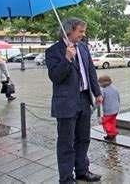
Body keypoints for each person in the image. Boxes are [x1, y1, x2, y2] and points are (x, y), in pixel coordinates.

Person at [46, 18, 103, 183]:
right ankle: (66, 178)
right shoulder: (53, 51)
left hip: (84, 99)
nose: (83, 35)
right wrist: (67, 59)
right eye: (81, 31)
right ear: (69, 30)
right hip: (66, 103)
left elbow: (91, 71)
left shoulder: (84, 48)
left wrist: (97, 93)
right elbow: (55, 77)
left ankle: (82, 171)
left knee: (83, 138)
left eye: (84, 32)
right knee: (66, 143)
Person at [98, 75, 120, 140]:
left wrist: (91, 110)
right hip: (115, 110)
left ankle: (113, 132)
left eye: (99, 83)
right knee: (112, 122)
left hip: (108, 111)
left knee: (104, 122)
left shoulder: (103, 91)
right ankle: (109, 135)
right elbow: (118, 98)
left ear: (103, 83)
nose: (99, 85)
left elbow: (98, 101)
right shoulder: (115, 88)